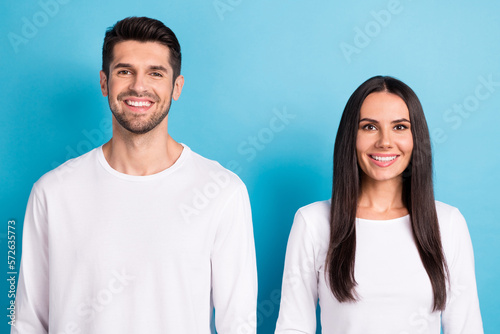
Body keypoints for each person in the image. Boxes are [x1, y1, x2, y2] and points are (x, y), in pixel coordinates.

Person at [13, 17, 257, 334]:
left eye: (155, 73)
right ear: (104, 83)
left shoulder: (222, 192)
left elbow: (237, 325)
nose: (139, 86)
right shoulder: (52, 192)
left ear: (176, 87)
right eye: (125, 71)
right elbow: (28, 323)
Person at [275, 76, 483, 333]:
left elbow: (466, 327)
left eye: (399, 127)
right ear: (350, 137)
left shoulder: (448, 223)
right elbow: (293, 327)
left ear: (416, 137)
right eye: (369, 127)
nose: (385, 141)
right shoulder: (313, 222)